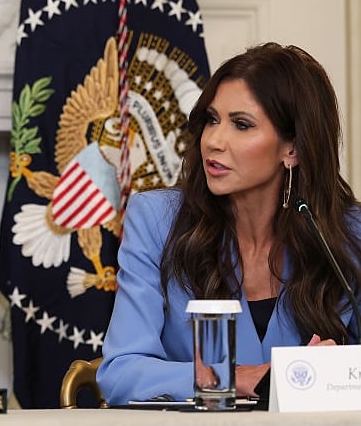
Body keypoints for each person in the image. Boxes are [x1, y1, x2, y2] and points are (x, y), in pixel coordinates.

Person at [96, 42, 361, 405]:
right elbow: (120, 371)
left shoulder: (349, 235)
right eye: (212, 120)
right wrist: (231, 378)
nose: (214, 141)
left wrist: (336, 372)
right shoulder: (157, 221)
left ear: (293, 149)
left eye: (241, 125)